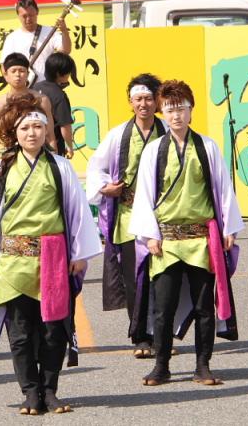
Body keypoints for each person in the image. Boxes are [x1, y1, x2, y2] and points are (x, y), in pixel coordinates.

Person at [0, 92, 102, 415]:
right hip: (12, 261)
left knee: (53, 330)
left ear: (46, 130)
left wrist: (79, 252)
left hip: (52, 259)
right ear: (16, 132)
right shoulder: (2, 168)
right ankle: (30, 392)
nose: (32, 133)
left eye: (38, 127)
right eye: (25, 129)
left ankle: (50, 389)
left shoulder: (60, 167)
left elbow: (77, 212)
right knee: (21, 333)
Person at [129, 79, 243, 387]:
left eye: (181, 108)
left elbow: (222, 189)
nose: (176, 115)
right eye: (170, 109)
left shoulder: (207, 146)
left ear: (191, 111)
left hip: (201, 240)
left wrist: (228, 227)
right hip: (166, 239)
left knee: (204, 306)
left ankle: (203, 364)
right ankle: (162, 364)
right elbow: (145, 195)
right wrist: (149, 234)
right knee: (163, 308)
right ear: (162, 112)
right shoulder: (154, 151)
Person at [86, 73, 165, 358]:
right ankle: (140, 336)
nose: (143, 104)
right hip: (129, 216)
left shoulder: (167, 130)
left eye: (148, 98)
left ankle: (161, 334)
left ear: (158, 101)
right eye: (138, 99)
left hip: (163, 217)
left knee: (163, 278)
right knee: (135, 278)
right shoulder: (119, 135)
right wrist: (106, 188)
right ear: (130, 102)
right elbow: (96, 167)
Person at [0, 52, 56, 170]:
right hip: (10, 160)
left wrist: (54, 167)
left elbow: (50, 136)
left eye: (22, 71)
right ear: (5, 74)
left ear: (28, 74)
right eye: (13, 71)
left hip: (40, 159)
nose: (18, 75)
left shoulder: (41, 101)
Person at [0, 0, 72, 83]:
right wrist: (13, 83)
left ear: (37, 12)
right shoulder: (12, 38)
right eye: (24, 16)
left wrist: (64, 31)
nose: (28, 19)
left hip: (46, 86)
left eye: (31, 15)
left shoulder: (50, 32)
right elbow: (3, 64)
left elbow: (66, 51)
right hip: (24, 89)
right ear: (18, 15)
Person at [31, 52, 77, 159]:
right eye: (68, 72)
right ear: (59, 74)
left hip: (32, 144)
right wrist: (70, 147)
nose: (69, 75)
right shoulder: (59, 96)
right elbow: (65, 126)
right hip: (52, 146)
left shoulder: (34, 88)